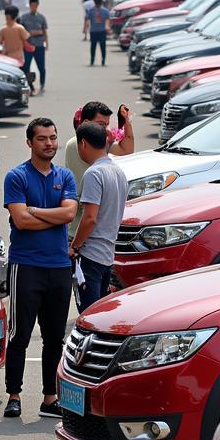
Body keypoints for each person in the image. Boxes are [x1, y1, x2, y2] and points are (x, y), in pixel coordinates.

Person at [2, 118, 78, 419]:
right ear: (29, 142)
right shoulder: (16, 176)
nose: (49, 143)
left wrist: (34, 209)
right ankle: (14, 395)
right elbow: (20, 221)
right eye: (43, 138)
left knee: (54, 337)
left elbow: (70, 213)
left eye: (53, 137)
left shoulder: (66, 176)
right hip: (26, 265)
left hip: (60, 266)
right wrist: (53, 215)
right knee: (19, 335)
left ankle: (50, 399)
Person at [68, 122, 128, 312]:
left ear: (83, 144)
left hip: (90, 256)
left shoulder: (93, 173)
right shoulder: (118, 172)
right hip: (108, 255)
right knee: (100, 314)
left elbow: (90, 218)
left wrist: (75, 246)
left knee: (88, 314)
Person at [64, 100, 135, 238]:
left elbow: (127, 149)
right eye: (101, 125)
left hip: (93, 224)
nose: (106, 130)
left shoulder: (96, 144)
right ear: (85, 123)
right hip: (80, 227)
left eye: (107, 125)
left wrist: (127, 122)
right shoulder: (77, 144)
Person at [18, 0, 48, 94]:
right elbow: (22, 31)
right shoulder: (24, 17)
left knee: (41, 67)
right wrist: (32, 33)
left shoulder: (41, 17)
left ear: (37, 6)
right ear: (30, 6)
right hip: (28, 46)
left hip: (39, 45)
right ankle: (31, 86)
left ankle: (42, 85)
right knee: (26, 67)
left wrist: (47, 43)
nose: (33, 8)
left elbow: (44, 31)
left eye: (35, 6)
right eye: (32, 6)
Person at [83, 0, 110, 65]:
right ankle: (95, 61)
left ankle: (99, 61)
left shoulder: (93, 11)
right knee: (97, 47)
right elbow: (88, 21)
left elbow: (87, 21)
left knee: (98, 47)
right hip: (97, 31)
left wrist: (85, 29)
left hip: (97, 31)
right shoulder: (92, 11)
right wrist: (107, 28)